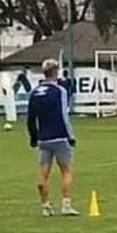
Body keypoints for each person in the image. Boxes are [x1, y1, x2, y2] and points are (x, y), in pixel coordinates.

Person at [27, 59, 78, 217]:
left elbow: (30, 118)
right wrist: (70, 135)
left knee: (43, 173)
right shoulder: (60, 91)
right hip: (60, 136)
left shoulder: (35, 92)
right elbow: (64, 115)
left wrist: (34, 137)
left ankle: (45, 206)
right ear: (55, 72)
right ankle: (66, 205)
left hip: (44, 139)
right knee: (66, 171)